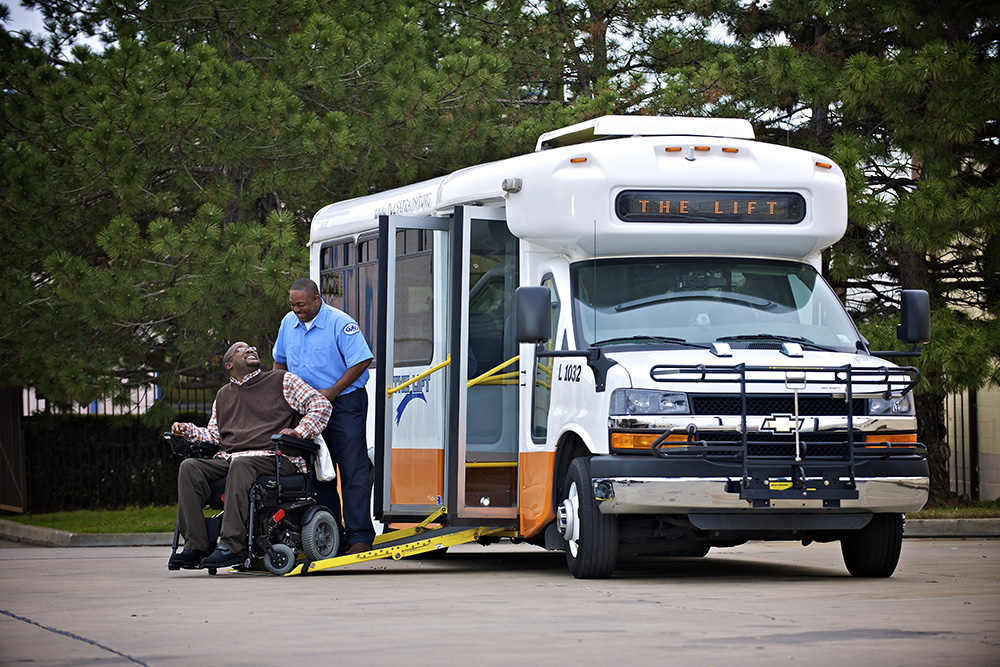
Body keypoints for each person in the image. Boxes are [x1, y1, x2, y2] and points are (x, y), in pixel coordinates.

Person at [168, 341, 332, 570]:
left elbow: (321, 405)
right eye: (240, 349)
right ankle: (196, 546)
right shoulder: (223, 395)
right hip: (232, 458)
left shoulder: (281, 380)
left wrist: (299, 432)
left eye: (252, 347)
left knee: (242, 464)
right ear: (229, 365)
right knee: (189, 467)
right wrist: (189, 431)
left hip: (276, 458)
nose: (250, 349)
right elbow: (216, 436)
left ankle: (232, 546)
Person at [273, 278, 375, 554]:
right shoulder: (287, 324)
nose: (297, 310)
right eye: (293, 305)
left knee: (352, 470)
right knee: (318, 474)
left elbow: (361, 360)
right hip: (307, 409)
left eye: (302, 305)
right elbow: (279, 362)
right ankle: (334, 536)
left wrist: (331, 391)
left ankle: (360, 537)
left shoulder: (340, 322)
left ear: (317, 299)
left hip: (343, 403)